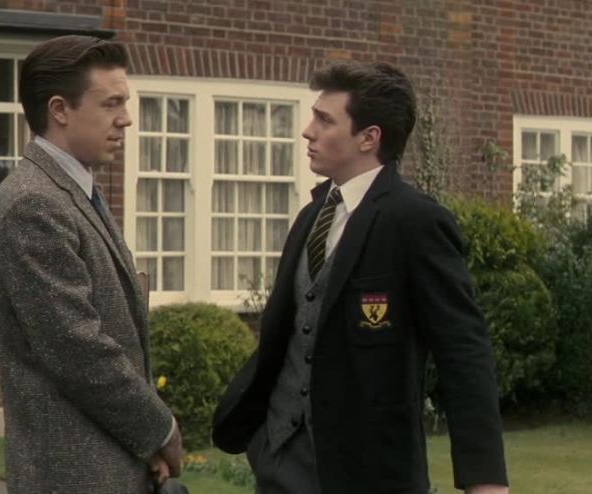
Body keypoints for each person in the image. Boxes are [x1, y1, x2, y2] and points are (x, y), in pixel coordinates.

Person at [212, 61, 509, 494]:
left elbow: (463, 351)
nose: (308, 131)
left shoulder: (416, 221)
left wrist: (485, 479)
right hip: (279, 459)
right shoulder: (311, 216)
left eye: (325, 120)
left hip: (369, 471)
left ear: (369, 138)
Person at [0, 35, 183, 494]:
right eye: (111, 103)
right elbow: (78, 350)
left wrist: (144, 441)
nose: (126, 118)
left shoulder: (72, 192)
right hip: (75, 475)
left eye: (124, 102)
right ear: (60, 110)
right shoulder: (34, 205)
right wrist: (161, 430)